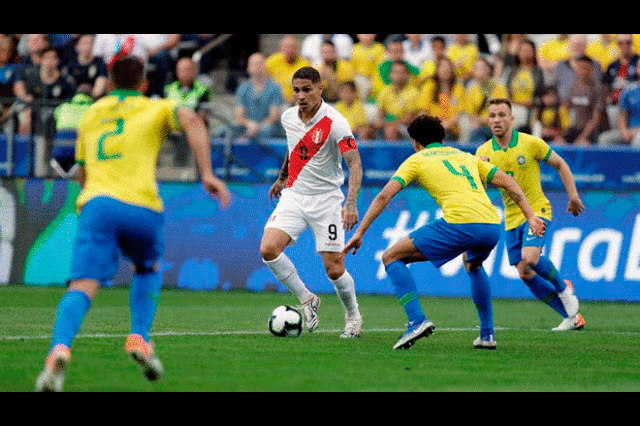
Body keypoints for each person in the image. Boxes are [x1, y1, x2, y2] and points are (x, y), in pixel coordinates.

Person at [35, 55, 231, 392]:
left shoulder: (91, 114)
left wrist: (98, 198)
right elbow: (192, 119)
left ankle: (60, 348)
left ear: (109, 83)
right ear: (143, 84)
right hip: (142, 206)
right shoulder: (153, 106)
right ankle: (139, 336)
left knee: (82, 286)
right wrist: (207, 173)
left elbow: (81, 172)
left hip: (98, 205)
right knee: (147, 268)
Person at [342, 113, 546, 350]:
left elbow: (385, 195)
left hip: (461, 223)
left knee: (391, 257)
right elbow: (508, 182)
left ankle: (416, 321)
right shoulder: (465, 156)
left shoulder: (416, 160)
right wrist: (531, 216)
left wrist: (360, 232)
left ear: (416, 143)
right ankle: (487, 334)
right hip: (491, 225)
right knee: (473, 264)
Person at [259, 66, 363, 339]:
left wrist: (350, 202)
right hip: (294, 195)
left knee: (333, 268)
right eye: (296, 90)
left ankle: (353, 316)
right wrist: (282, 178)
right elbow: (293, 149)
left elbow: (354, 162)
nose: (301, 96)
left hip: (327, 200)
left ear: (320, 89)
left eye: (307, 90)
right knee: (268, 249)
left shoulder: (335, 122)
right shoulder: (288, 117)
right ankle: (307, 299)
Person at [476, 98, 586, 332]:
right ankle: (571, 317)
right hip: (512, 218)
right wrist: (481, 171)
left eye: (502, 115)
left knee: (531, 258)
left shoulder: (530, 143)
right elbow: (482, 190)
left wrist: (573, 195)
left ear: (512, 119)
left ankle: (564, 290)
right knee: (525, 273)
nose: (496, 120)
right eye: (492, 115)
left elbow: (560, 164)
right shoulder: (483, 152)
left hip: (537, 210)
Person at [164, 56, 214, 167]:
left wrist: (187, 125)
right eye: (181, 70)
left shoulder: (202, 89)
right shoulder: (168, 89)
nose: (184, 73)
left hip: (193, 128)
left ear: (194, 71)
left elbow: (204, 113)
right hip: (171, 128)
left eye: (187, 70)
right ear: (177, 72)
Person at [233, 52, 284, 140]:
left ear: (265, 66)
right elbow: (239, 115)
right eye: (253, 64)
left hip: (267, 127)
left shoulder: (274, 87)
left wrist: (257, 127)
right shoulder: (243, 87)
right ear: (248, 68)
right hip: (248, 125)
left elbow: (274, 116)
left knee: (265, 130)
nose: (256, 67)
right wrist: (249, 124)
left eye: (259, 64)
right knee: (225, 130)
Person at [417, 57, 465, 141]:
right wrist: (434, 124)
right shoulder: (429, 86)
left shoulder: (458, 88)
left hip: (451, 129)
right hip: (431, 127)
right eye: (442, 67)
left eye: (447, 68)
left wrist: (445, 125)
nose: (445, 70)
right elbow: (423, 111)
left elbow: (458, 114)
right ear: (437, 70)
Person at [463, 57, 508, 145]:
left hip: (497, 126)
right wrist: (476, 121)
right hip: (479, 127)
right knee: (475, 132)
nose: (480, 71)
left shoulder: (499, 88)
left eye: (482, 68)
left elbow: (502, 112)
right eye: (476, 68)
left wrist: (482, 120)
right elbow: (470, 113)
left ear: (488, 69)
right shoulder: (472, 90)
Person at [504, 38, 545, 133]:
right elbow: (507, 94)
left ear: (534, 52)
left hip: (532, 111)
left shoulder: (538, 72)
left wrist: (529, 103)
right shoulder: (511, 71)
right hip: (513, 110)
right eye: (523, 50)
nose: (525, 53)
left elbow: (539, 96)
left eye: (528, 50)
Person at [563, 55, 605, 146]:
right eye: (580, 68)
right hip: (573, 130)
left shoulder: (598, 89)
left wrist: (583, 137)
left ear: (591, 70)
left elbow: (595, 118)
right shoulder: (572, 88)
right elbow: (565, 111)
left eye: (586, 68)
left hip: (591, 133)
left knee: (583, 145)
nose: (582, 71)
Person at [374, 60, 419, 140]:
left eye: (401, 72)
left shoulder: (413, 93)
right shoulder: (385, 92)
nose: (398, 75)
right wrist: (383, 123)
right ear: (390, 75)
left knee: (390, 130)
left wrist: (387, 124)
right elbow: (378, 119)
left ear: (407, 75)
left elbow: (407, 120)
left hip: (408, 128)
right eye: (395, 72)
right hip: (388, 125)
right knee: (367, 131)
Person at [598, 62, 640, 147]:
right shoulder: (629, 91)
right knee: (604, 139)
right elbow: (622, 116)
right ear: (637, 69)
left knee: (638, 141)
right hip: (629, 131)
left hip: (637, 133)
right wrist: (624, 132)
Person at [265, 35, 310, 105]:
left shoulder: (305, 64)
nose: (290, 50)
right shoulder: (271, 61)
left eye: (293, 47)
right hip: (274, 102)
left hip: (297, 103)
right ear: (281, 49)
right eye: (287, 47)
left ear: (298, 49)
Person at [63, 34, 108, 100]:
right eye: (84, 43)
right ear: (77, 46)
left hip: (93, 101)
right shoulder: (70, 63)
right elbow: (67, 86)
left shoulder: (100, 63)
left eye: (91, 43)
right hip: (74, 100)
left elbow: (99, 89)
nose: (87, 46)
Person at [602, 34, 640, 106]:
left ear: (632, 43)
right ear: (617, 44)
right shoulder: (612, 65)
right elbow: (605, 85)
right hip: (614, 105)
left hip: (634, 105)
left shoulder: (638, 62)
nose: (625, 46)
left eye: (628, 42)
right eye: (621, 43)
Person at [350, 34, 386, 102]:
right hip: (360, 77)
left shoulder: (380, 48)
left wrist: (372, 79)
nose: (367, 35)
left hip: (375, 77)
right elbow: (352, 68)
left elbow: (381, 67)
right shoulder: (354, 49)